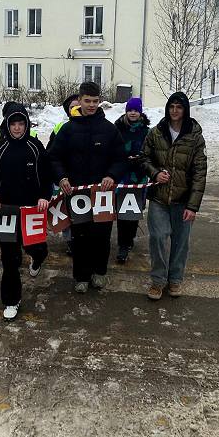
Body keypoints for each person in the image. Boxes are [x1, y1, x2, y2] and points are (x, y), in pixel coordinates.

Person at [47, 82, 127, 294]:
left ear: (99, 101)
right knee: (80, 235)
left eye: (95, 101)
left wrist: (112, 175)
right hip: (77, 194)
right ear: (79, 101)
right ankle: (81, 276)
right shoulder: (68, 129)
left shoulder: (109, 129)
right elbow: (54, 157)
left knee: (101, 235)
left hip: (102, 195)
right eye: (87, 101)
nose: (91, 105)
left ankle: (99, 272)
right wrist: (61, 177)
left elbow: (120, 158)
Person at [0, 106, 53, 320]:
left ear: (26, 125)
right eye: (13, 124)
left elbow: (46, 175)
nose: (17, 128)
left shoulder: (35, 146)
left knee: (36, 247)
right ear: (7, 125)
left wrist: (45, 196)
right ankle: (11, 300)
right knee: (9, 258)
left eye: (21, 124)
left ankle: (37, 258)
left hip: (32, 210)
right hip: (6, 211)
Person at [140, 92, 207, 301]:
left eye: (179, 107)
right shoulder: (156, 133)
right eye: (171, 106)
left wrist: (193, 207)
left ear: (185, 110)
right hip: (159, 198)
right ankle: (157, 281)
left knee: (180, 242)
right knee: (158, 238)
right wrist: (155, 173)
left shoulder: (194, 136)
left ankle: (175, 279)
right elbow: (144, 158)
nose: (175, 111)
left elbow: (199, 173)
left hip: (183, 200)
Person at [113, 97, 150, 264]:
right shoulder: (117, 129)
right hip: (122, 175)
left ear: (140, 112)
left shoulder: (146, 131)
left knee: (134, 211)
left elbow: (151, 153)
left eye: (136, 110)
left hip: (139, 176)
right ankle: (123, 245)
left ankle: (130, 238)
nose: (133, 113)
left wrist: (141, 159)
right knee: (122, 211)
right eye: (130, 110)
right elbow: (112, 150)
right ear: (126, 111)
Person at [48, 94, 81, 257]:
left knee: (81, 210)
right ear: (68, 111)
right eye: (72, 107)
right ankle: (69, 241)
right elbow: (50, 153)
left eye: (78, 106)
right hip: (65, 178)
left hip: (84, 179)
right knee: (67, 210)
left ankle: (81, 239)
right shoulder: (60, 128)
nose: (75, 109)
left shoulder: (91, 125)